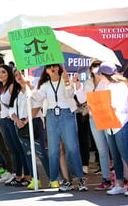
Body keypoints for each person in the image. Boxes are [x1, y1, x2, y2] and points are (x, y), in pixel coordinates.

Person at [30, 64, 87, 192]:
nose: (52, 69)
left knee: (72, 147)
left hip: (67, 114)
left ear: (59, 68)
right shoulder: (45, 85)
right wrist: (27, 85)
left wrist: (67, 81)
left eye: (54, 66)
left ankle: (79, 178)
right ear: (46, 71)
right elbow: (38, 97)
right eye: (49, 67)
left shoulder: (65, 80)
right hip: (51, 116)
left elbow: (70, 94)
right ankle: (65, 180)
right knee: (55, 150)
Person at [93, 62, 128, 196]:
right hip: (109, 124)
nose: (98, 76)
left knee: (126, 155)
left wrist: (107, 106)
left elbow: (120, 106)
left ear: (104, 74)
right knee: (115, 157)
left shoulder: (120, 86)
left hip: (121, 123)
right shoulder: (106, 85)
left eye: (100, 74)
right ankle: (119, 184)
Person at [75, 60, 113, 190]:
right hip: (93, 117)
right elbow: (81, 100)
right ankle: (106, 178)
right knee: (101, 150)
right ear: (90, 69)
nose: (96, 69)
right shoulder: (88, 83)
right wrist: (78, 86)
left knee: (113, 148)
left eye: (98, 66)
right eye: (94, 66)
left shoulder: (108, 82)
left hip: (107, 117)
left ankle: (120, 178)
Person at [10, 70, 50, 189]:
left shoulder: (33, 89)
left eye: (21, 74)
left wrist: (27, 120)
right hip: (20, 125)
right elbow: (11, 110)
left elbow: (39, 103)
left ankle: (53, 177)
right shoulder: (16, 93)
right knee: (28, 153)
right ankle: (35, 179)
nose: (19, 77)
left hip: (34, 122)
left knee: (40, 152)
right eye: (16, 75)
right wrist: (17, 120)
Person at [0, 65, 30, 186]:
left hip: (11, 120)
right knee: (12, 149)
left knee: (19, 149)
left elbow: (13, 104)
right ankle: (17, 175)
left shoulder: (11, 86)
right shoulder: (2, 88)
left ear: (8, 74)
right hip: (4, 120)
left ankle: (26, 175)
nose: (0, 75)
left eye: (3, 72)